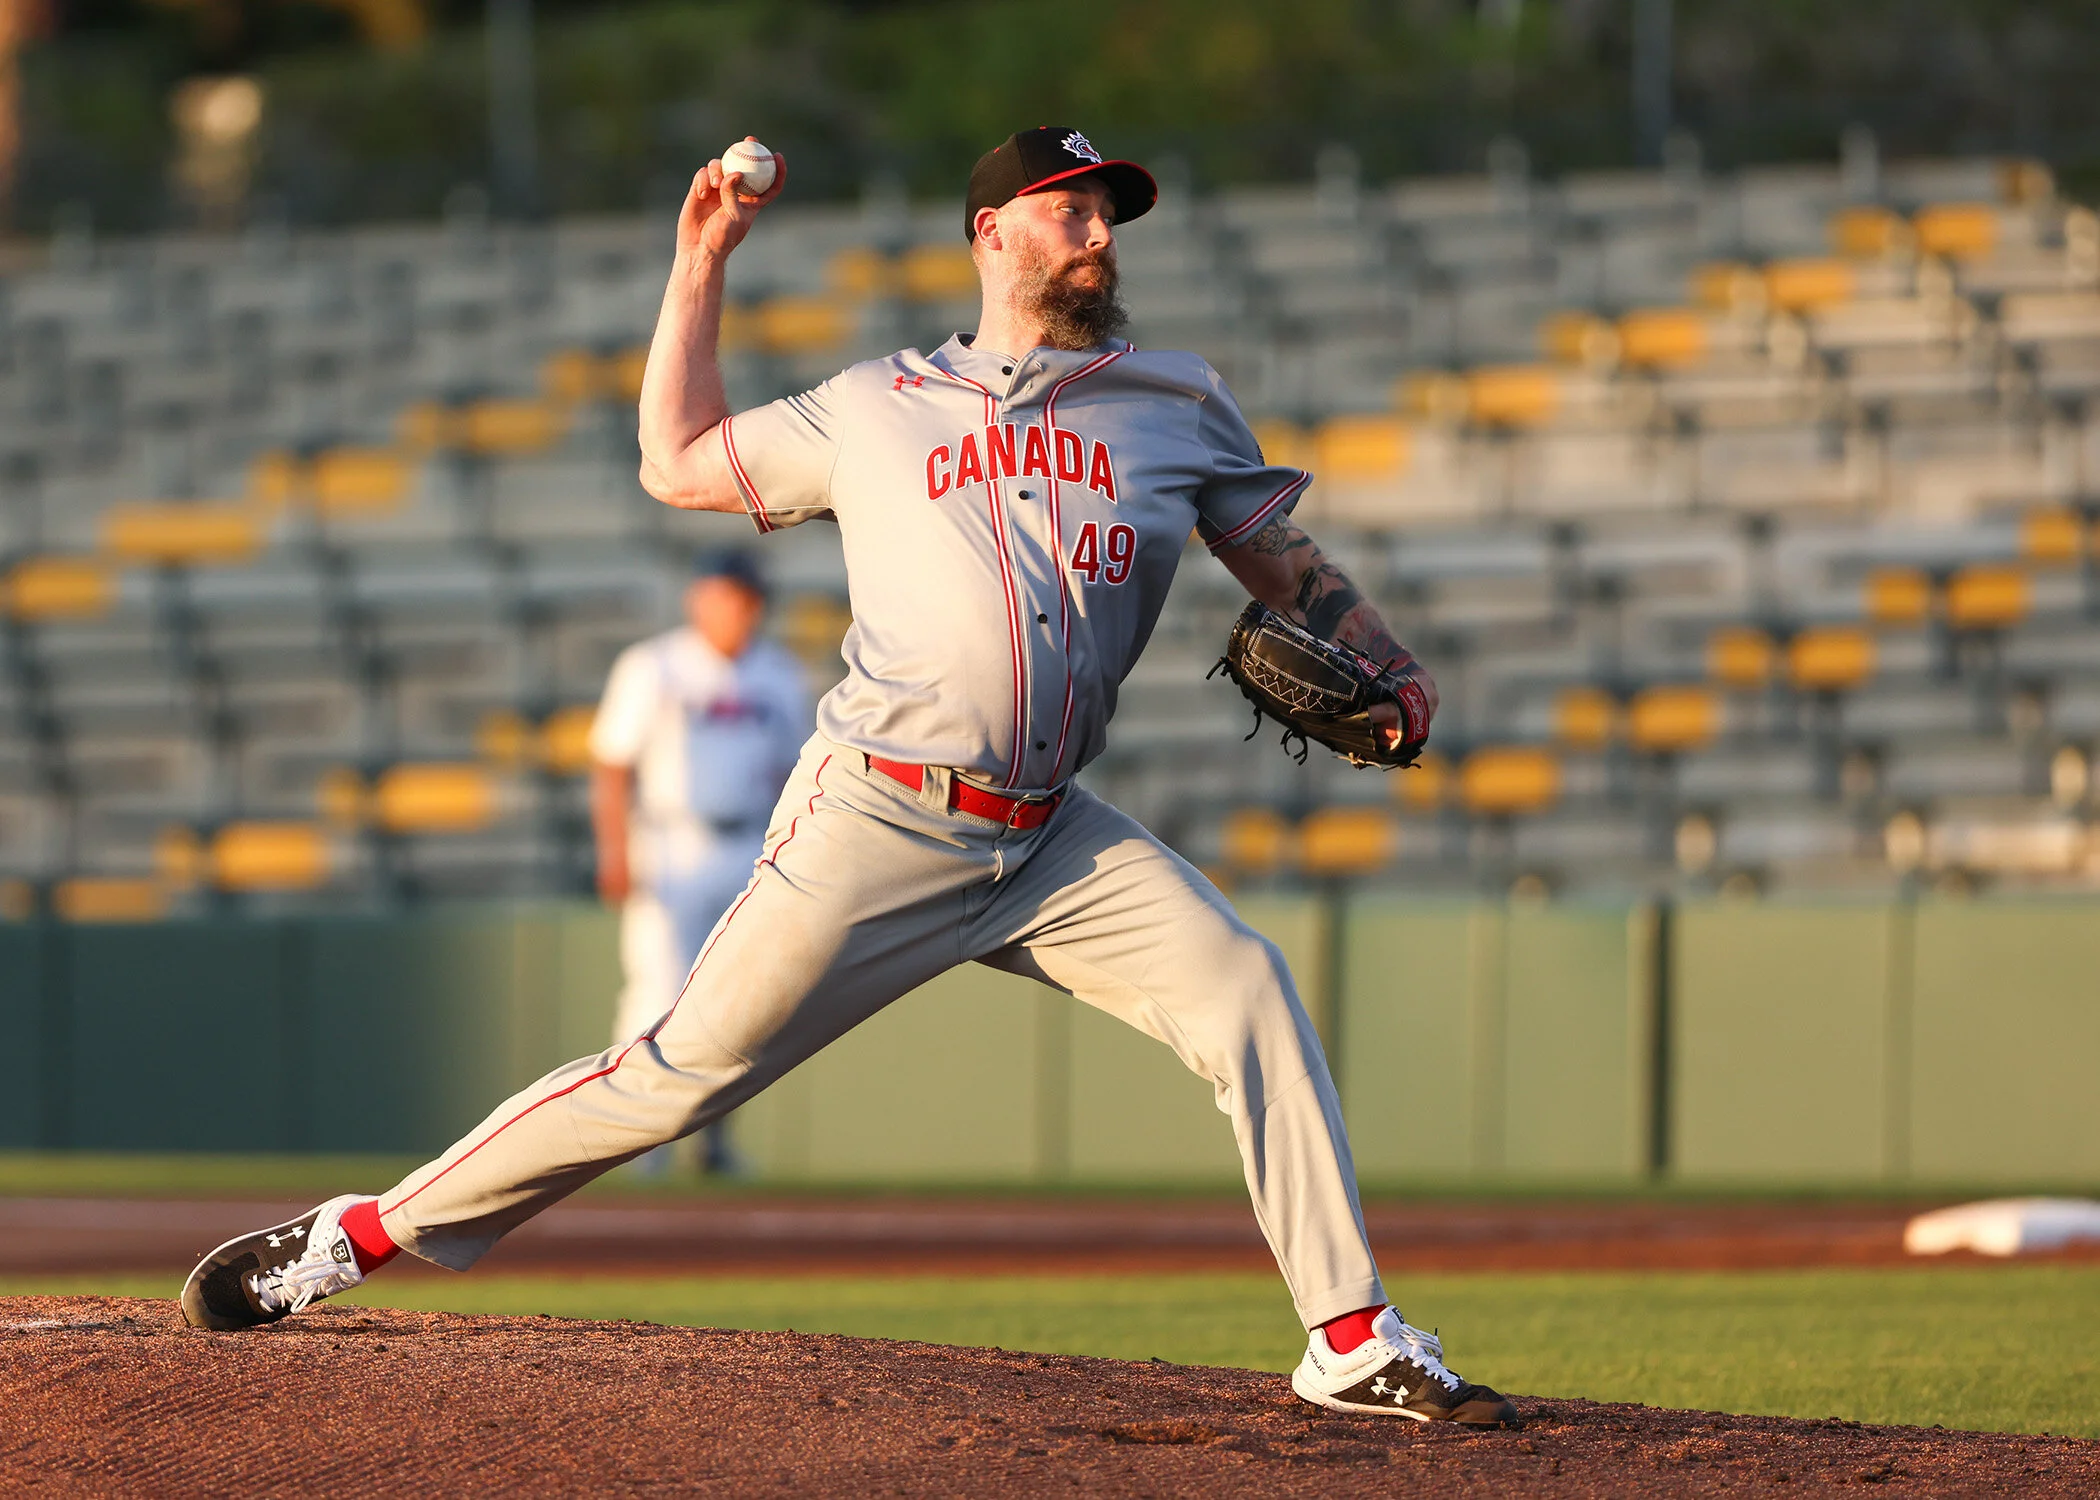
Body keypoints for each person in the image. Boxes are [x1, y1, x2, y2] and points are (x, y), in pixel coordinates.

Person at [182, 126, 1518, 1428]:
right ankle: (362, 1236)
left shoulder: (1177, 401)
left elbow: (1286, 569)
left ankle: (1350, 1336)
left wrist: (1382, 655)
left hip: (1051, 842)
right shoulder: (875, 405)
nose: (1100, 235)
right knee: (672, 1077)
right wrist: (700, 260)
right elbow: (675, 461)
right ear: (994, 232)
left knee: (1247, 991)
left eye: (1111, 213)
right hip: (877, 816)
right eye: (1073, 208)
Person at [589, 549, 810, 1173]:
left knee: (737, 1002)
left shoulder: (778, 673)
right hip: (668, 846)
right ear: (698, 600)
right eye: (723, 597)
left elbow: (801, 771)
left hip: (749, 844)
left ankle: (713, 1140)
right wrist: (614, 852)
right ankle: (635, 1144)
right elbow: (611, 763)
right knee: (658, 991)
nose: (735, 611)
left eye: (744, 600)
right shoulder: (654, 666)